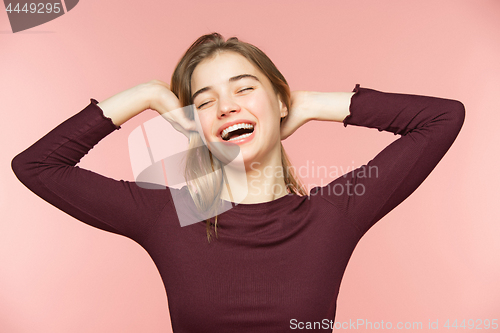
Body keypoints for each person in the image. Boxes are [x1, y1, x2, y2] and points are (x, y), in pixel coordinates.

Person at [11, 32, 465, 332]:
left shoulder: (334, 214)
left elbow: (443, 118)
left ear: (278, 101)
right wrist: (146, 95)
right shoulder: (166, 215)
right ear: (193, 122)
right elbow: (37, 166)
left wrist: (306, 104)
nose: (227, 106)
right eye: (205, 101)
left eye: (245, 88)